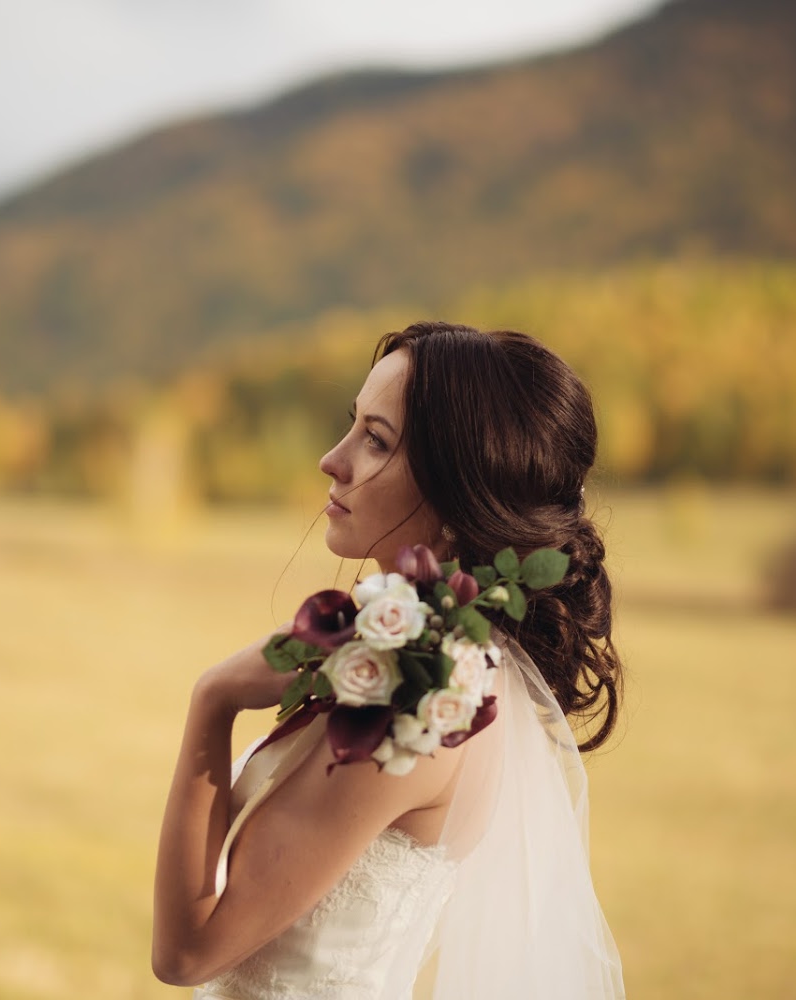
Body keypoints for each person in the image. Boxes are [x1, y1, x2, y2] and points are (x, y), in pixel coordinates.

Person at [153, 321, 626, 999]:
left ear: (459, 497)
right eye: (353, 427)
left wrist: (215, 698)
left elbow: (187, 953)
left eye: (375, 440)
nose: (331, 459)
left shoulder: (425, 690)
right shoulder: (444, 662)